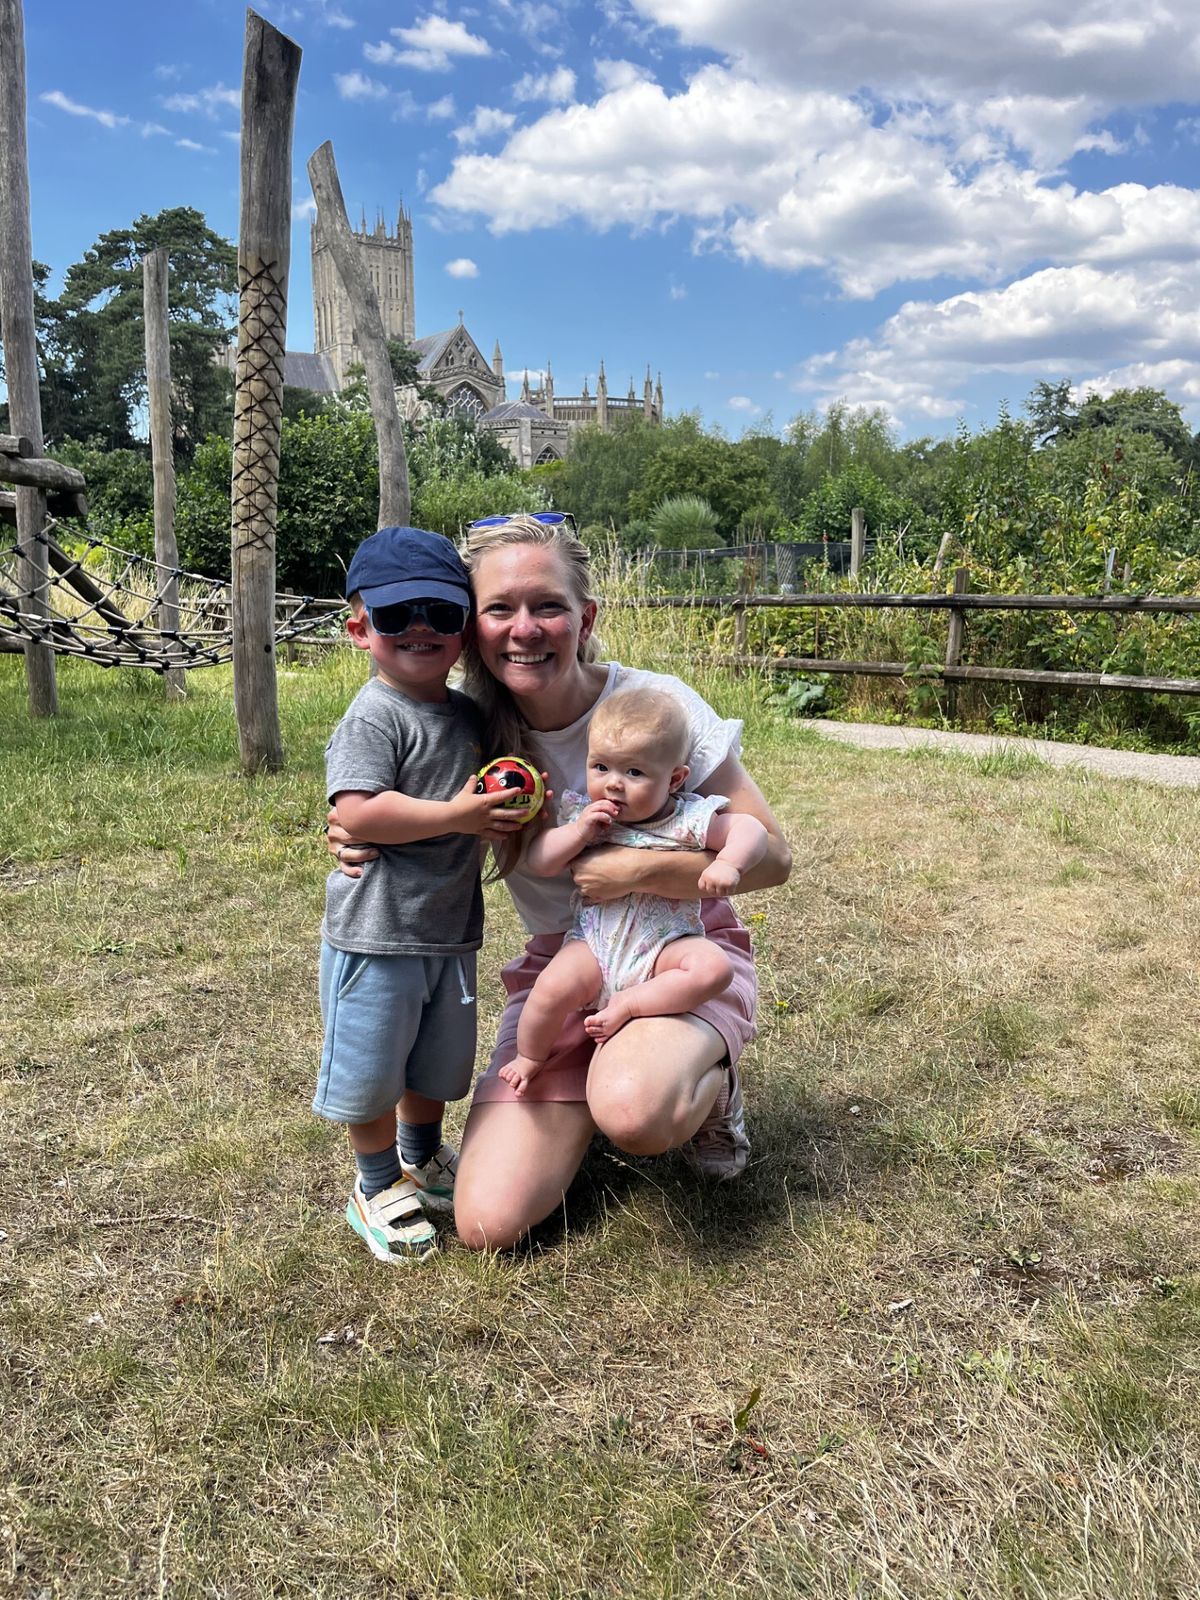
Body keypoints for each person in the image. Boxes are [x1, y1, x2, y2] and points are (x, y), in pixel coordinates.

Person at [328, 512, 792, 1251]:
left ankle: (700, 1091)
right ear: (472, 627)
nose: (525, 629)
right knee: (486, 1224)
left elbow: (774, 856)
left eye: (547, 605)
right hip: (567, 964)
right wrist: (352, 829)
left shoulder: (652, 707)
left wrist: (640, 868)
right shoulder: (466, 728)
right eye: (499, 609)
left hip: (675, 948)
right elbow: (387, 799)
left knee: (635, 1112)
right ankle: (591, 1089)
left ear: (586, 616)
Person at [317, 525, 524, 1265]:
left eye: (441, 615)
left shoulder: (467, 715)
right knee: (373, 1066)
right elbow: (358, 812)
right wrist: (458, 817)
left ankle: (422, 1157)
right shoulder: (375, 714)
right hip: (376, 932)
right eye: (398, 615)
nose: (420, 630)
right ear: (358, 628)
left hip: (448, 933)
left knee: (436, 1065)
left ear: (464, 630)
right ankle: (375, 1185)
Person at [499, 687, 768, 1095]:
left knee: (714, 969)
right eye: (601, 767)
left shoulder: (687, 818)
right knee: (549, 990)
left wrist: (730, 861)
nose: (613, 785)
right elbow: (540, 860)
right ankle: (530, 1056)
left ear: (675, 778)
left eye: (635, 773)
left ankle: (633, 1003)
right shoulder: (585, 816)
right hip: (595, 944)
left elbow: (751, 829)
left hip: (666, 942)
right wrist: (578, 832)